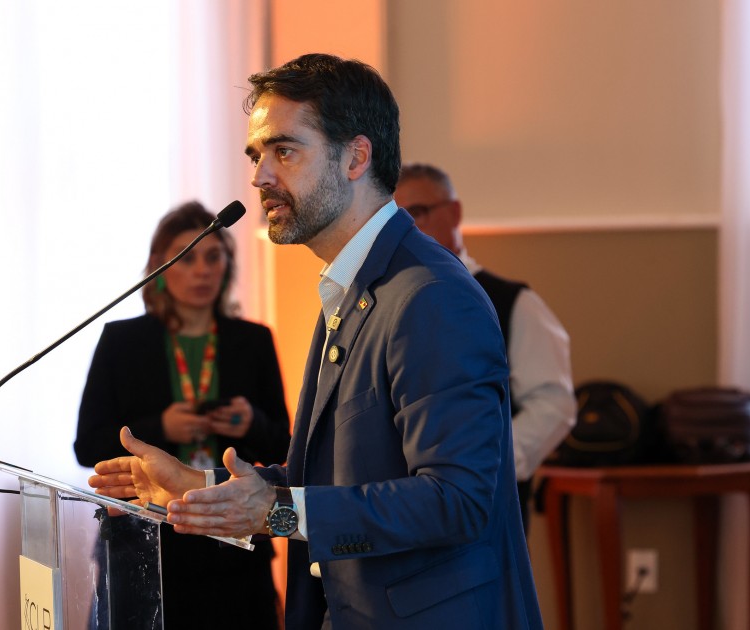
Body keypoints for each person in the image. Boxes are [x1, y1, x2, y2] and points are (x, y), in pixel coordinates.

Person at [89, 53, 544, 629]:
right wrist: (202, 488)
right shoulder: (353, 285)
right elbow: (333, 481)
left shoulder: (430, 296)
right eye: (256, 156)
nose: (260, 177)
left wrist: (276, 510)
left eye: (283, 151)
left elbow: (457, 500)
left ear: (355, 157)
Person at [74, 201, 290, 630]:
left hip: (232, 538)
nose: (202, 271)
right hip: (146, 541)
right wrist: (160, 429)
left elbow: (286, 446)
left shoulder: (253, 340)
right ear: (161, 265)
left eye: (213, 257)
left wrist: (251, 424)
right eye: (188, 258)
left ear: (227, 265)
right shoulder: (121, 341)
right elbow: (88, 446)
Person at [394, 164, 576, 531]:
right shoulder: (384, 303)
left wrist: (491, 463)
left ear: (454, 212)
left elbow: (553, 402)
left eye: (418, 212)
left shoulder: (512, 302)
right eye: (395, 219)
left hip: (487, 512)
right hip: (399, 510)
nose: (407, 228)